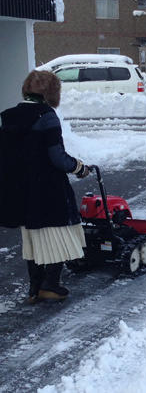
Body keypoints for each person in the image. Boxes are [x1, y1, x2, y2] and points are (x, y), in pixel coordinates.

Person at [0, 70, 90, 303]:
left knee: (32, 238)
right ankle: (50, 285)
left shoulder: (8, 116)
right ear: (52, 93)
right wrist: (78, 167)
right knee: (58, 236)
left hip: (22, 190)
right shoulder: (47, 116)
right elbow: (57, 158)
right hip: (48, 190)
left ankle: (34, 289)